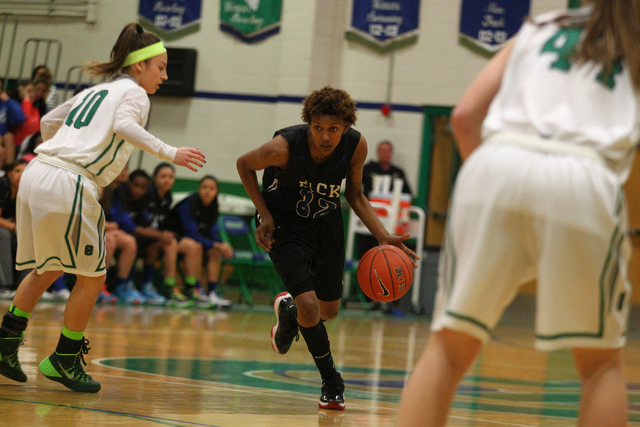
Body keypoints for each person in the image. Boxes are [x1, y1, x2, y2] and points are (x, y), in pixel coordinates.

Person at [396, 1, 638, 426]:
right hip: (583, 173)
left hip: (494, 166)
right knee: (601, 367)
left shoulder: (538, 27)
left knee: (448, 350)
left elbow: (465, 117)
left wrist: (492, 198)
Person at [0, 22, 205, 393]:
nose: (165, 74)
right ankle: (64, 357)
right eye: (160, 66)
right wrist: (170, 152)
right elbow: (125, 125)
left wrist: (64, 151)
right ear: (139, 65)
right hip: (69, 180)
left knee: (46, 269)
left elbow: (48, 122)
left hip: (36, 171)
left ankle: (6, 342)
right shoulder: (136, 94)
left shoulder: (98, 90)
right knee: (93, 277)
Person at [236, 86, 418, 410]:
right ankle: (332, 380)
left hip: (326, 223)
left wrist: (383, 235)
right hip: (284, 226)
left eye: (333, 129)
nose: (324, 136)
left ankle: (289, 311)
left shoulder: (355, 145)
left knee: (327, 311)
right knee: (311, 306)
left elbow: (355, 194)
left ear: (345, 127)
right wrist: (263, 214)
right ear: (309, 123)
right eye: (318, 128)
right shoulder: (285, 146)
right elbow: (243, 165)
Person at [167, 175, 233, 308]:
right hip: (175, 239)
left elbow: (209, 232)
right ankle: (195, 290)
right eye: (204, 187)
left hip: (193, 241)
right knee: (196, 246)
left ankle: (212, 292)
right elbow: (190, 233)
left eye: (211, 188)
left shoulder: (213, 207)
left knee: (215, 251)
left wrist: (222, 244)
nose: (207, 191)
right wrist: (215, 243)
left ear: (216, 192)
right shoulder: (189, 204)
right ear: (199, 189)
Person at [148, 162, 198, 307]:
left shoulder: (167, 197)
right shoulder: (149, 194)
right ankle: (168, 288)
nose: (167, 180)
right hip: (145, 237)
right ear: (155, 178)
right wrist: (161, 235)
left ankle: (190, 289)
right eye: (163, 176)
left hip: (158, 236)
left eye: (170, 177)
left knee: (191, 245)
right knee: (171, 243)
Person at [0, 160, 27, 299]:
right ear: (9, 174)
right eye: (17, 171)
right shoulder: (2, 185)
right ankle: (4, 286)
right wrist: (13, 227)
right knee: (3, 234)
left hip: (8, 227)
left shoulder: (26, 192)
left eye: (25, 172)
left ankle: (23, 287)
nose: (21, 175)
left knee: (27, 238)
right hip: (3, 229)